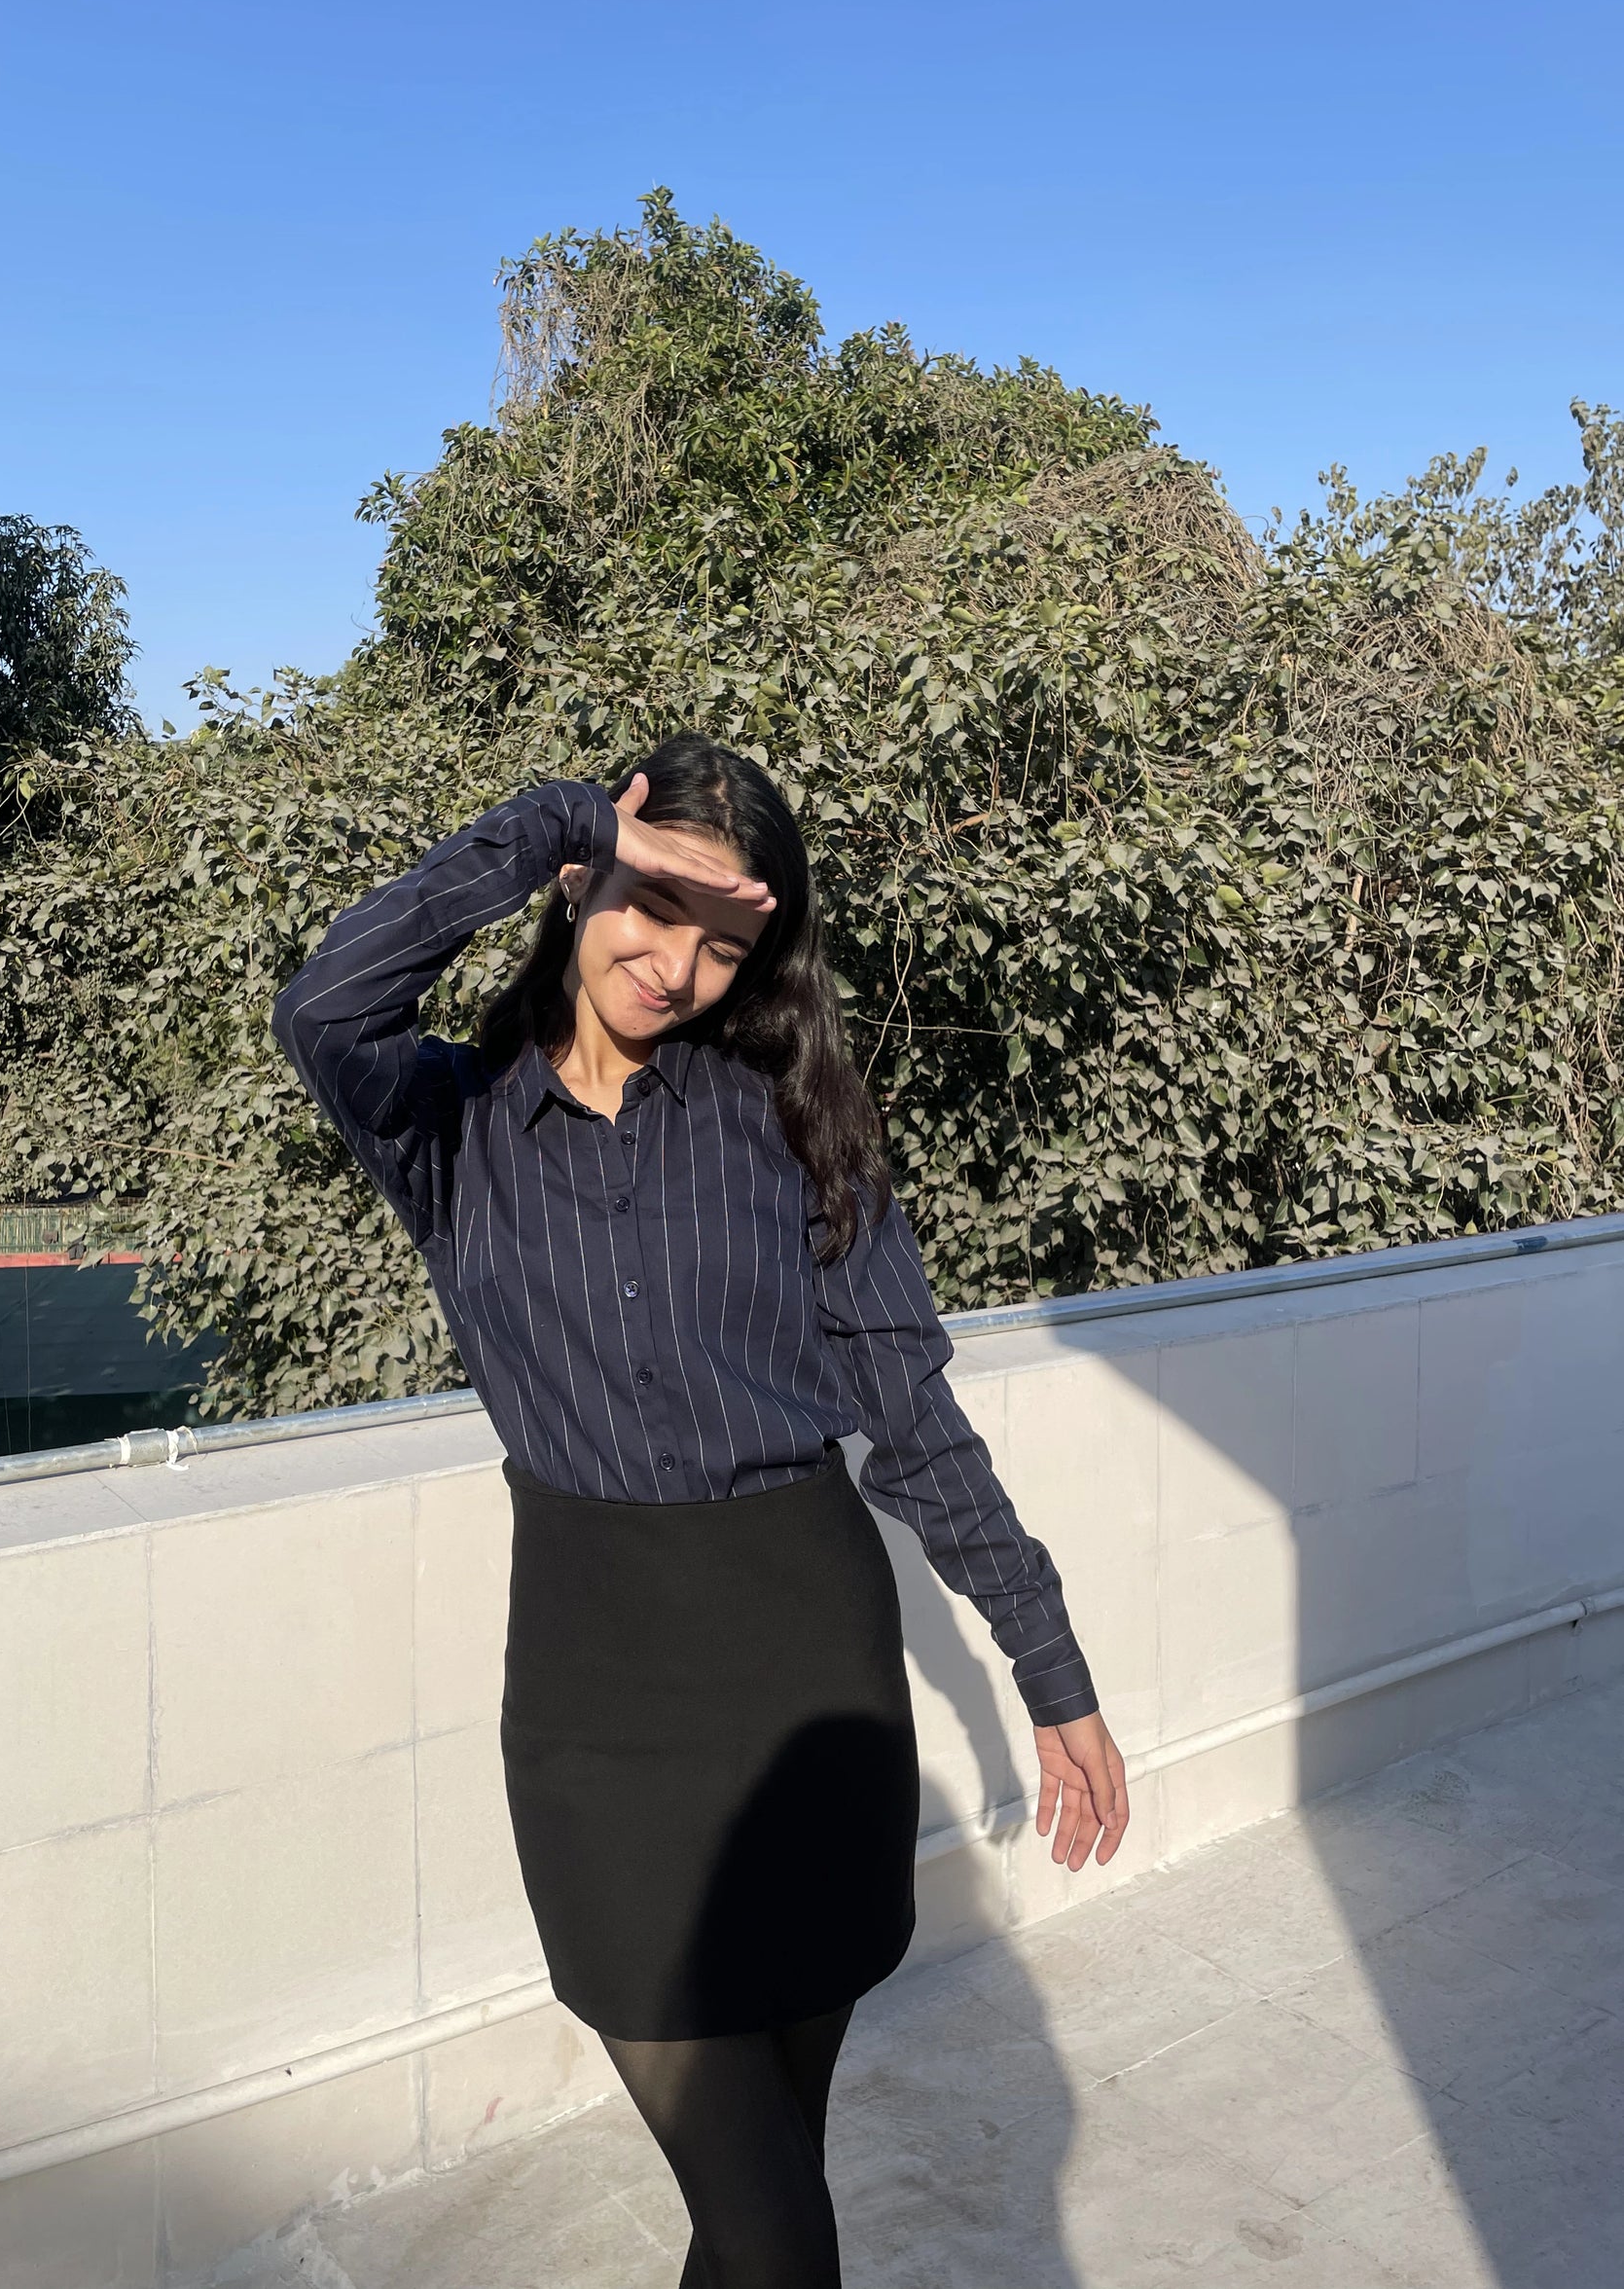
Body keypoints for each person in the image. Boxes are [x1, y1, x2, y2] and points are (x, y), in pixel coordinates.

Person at [272, 731, 1128, 2289]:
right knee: (772, 2228)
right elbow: (321, 1005)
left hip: (808, 1680)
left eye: (723, 943)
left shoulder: (790, 1124)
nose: (676, 967)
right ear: (581, 883)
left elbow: (912, 1421)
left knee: (757, 2207)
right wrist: (554, 823)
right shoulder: (447, 1123)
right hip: (596, 1705)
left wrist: (1048, 1666)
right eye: (653, 907)